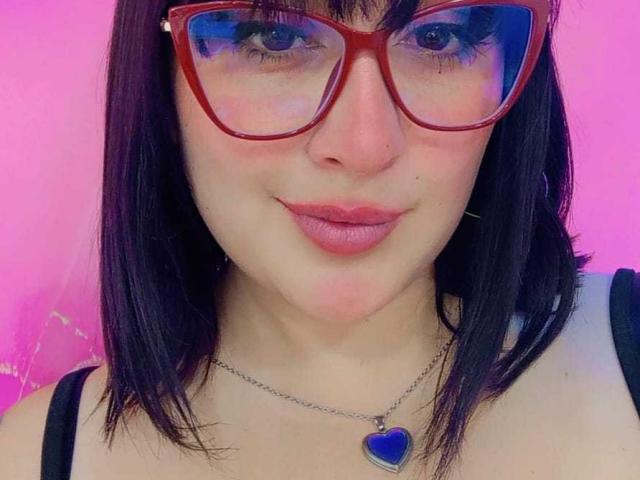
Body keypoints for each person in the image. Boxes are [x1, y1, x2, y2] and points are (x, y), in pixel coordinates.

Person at [1, 0, 638, 479]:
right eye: (273, 36)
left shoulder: (622, 351)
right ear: (162, 81)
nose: (363, 146)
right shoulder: (38, 458)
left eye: (438, 36)